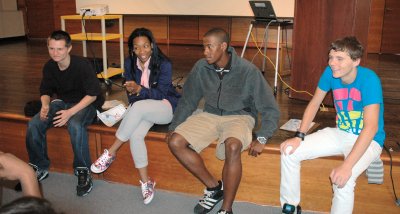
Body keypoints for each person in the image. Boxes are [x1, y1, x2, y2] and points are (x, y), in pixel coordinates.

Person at [167, 28, 280, 214]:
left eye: (209, 47)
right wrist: (174, 126)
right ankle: (213, 188)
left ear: (223, 46)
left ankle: (226, 209)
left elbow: (270, 107)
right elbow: (188, 100)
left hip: (240, 116)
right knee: (175, 141)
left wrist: (262, 137)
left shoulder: (247, 71)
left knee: (233, 146)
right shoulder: (201, 67)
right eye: (204, 47)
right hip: (210, 114)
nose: (205, 52)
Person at [279, 36, 385, 214]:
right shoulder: (330, 73)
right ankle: (290, 206)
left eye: (339, 59)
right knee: (289, 151)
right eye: (330, 57)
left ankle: (372, 156)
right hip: (340, 132)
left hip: (369, 139)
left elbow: (371, 127)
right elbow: (314, 103)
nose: (332, 63)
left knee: (343, 180)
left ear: (356, 61)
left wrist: (347, 166)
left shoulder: (369, 79)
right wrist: (299, 136)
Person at [90, 28, 180, 205]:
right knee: (136, 136)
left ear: (152, 46)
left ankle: (111, 152)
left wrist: (140, 90)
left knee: (137, 107)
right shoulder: (130, 62)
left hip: (165, 108)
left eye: (145, 46)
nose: (142, 51)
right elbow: (130, 95)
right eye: (137, 48)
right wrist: (135, 92)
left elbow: (161, 94)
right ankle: (146, 183)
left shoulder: (164, 64)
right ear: (132, 49)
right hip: (143, 108)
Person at [25, 30, 104, 197]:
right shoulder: (49, 66)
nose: (55, 53)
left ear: (69, 48)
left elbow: (93, 94)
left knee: (75, 124)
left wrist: (69, 113)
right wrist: (45, 105)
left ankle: (83, 171)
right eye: (51, 48)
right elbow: (45, 90)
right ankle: (39, 166)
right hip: (63, 103)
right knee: (34, 123)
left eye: (60, 49)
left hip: (87, 103)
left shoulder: (82, 65)